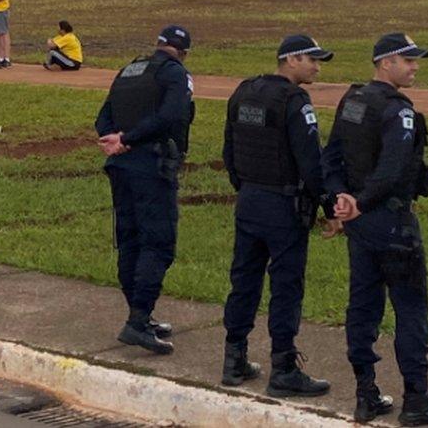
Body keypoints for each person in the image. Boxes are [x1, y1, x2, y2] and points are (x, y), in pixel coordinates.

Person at [323, 33, 428, 425]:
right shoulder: (397, 109)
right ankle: (417, 401)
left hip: (360, 225)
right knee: (411, 310)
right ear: (386, 63)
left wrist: (340, 201)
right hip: (391, 222)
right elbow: (394, 169)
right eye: (408, 60)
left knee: (363, 307)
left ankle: (366, 394)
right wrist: (360, 202)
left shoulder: (353, 99)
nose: (415, 66)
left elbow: (330, 157)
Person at [220, 34, 336, 398]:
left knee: (244, 280)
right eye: (313, 60)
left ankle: (233, 358)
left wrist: (247, 186)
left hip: (250, 200)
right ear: (292, 59)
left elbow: (229, 150)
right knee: (286, 286)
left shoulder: (244, 91)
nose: (317, 67)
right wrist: (330, 208)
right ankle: (283, 368)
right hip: (284, 207)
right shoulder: (294, 100)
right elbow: (311, 162)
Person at [94, 25, 195, 355]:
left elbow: (103, 117)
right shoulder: (176, 74)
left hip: (121, 167)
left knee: (130, 241)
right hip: (152, 167)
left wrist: (117, 140)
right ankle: (137, 322)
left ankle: (140, 314)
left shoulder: (128, 70)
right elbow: (172, 115)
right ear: (182, 52)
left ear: (159, 44)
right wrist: (129, 139)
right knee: (158, 242)